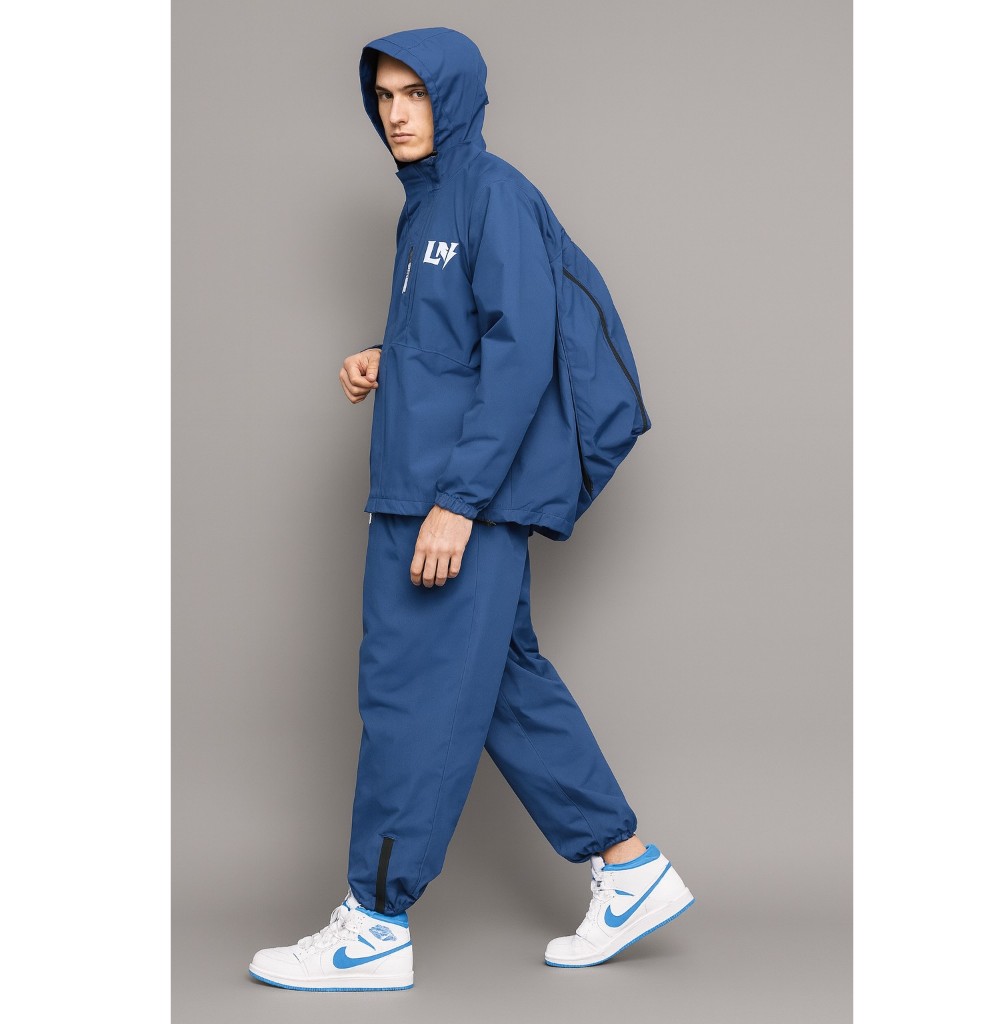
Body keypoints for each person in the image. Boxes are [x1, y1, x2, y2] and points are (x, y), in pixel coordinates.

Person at [248, 26, 694, 992]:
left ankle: (375, 924)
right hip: (425, 489)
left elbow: (524, 355)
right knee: (504, 687)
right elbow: (466, 342)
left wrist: (457, 503)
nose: (397, 113)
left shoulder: (493, 194)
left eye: (415, 93)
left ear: (456, 96)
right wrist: (389, 359)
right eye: (383, 97)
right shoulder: (423, 210)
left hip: (449, 503)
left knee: (407, 697)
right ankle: (629, 871)